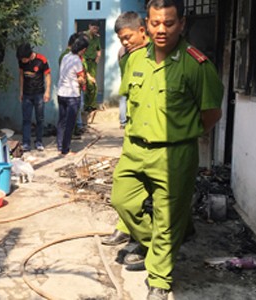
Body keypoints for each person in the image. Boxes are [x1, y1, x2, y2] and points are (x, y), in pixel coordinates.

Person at [111, 0, 224, 299]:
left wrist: (184, 135)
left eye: (169, 23)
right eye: (156, 23)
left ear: (182, 24)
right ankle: (169, 240)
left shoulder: (196, 65)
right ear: (146, 25)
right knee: (123, 201)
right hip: (135, 150)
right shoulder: (133, 60)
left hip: (174, 154)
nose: (162, 29)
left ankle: (160, 279)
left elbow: (211, 114)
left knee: (166, 216)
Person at [101, 11, 149, 247]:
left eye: (128, 37)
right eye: (121, 39)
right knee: (123, 189)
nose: (125, 43)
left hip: (160, 136)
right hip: (134, 130)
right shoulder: (125, 55)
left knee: (155, 193)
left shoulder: (158, 55)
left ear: (142, 30)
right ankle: (126, 227)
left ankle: (148, 242)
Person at [56, 36, 89, 155]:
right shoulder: (77, 60)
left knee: (61, 122)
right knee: (70, 123)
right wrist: (84, 81)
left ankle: (60, 146)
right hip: (72, 95)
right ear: (83, 49)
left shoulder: (65, 56)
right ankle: (66, 149)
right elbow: (80, 79)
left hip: (61, 93)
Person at [16, 43, 52, 152]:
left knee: (40, 119)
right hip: (27, 94)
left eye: (24, 59)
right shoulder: (21, 61)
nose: (22, 62)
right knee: (26, 119)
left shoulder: (41, 60)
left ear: (29, 55)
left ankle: (39, 141)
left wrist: (47, 91)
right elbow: (21, 75)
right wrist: (21, 92)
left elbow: (47, 75)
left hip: (39, 94)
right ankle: (26, 143)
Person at [82, 20, 101, 121]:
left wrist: (98, 57)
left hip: (92, 63)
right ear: (90, 26)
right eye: (94, 28)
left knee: (93, 84)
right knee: (87, 84)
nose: (95, 30)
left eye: (97, 28)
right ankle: (86, 105)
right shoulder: (83, 36)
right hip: (84, 62)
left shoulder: (97, 38)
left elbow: (98, 49)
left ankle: (91, 105)